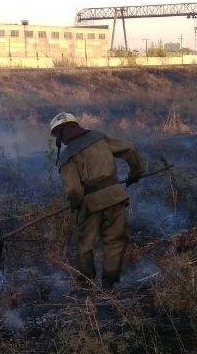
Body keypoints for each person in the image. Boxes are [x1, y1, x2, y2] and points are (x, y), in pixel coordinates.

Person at [49, 111, 144, 288]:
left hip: (90, 205)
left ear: (61, 134)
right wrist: (136, 173)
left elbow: (74, 190)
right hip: (115, 197)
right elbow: (130, 149)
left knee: (85, 245)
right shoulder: (99, 137)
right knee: (115, 241)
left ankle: (86, 285)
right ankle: (109, 284)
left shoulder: (67, 156)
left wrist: (76, 206)